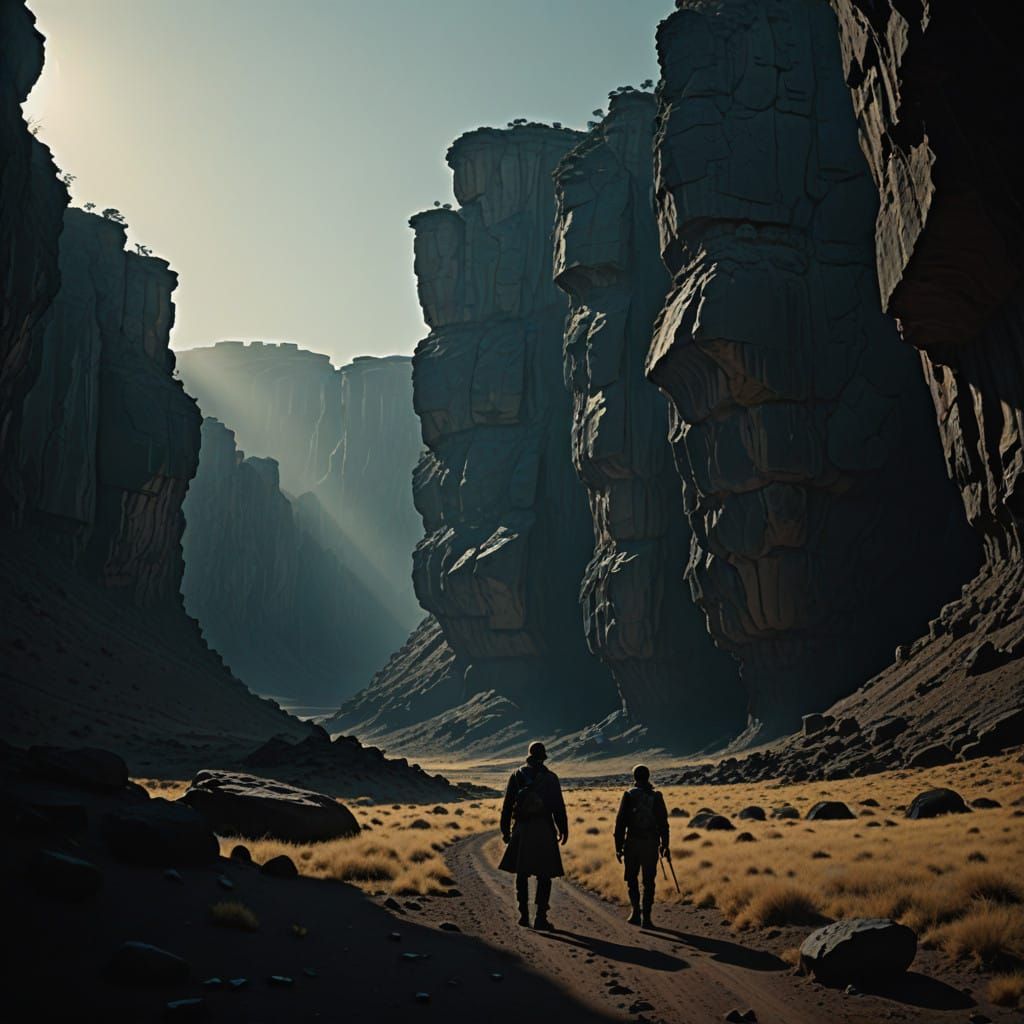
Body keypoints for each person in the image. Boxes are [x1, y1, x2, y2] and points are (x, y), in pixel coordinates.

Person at [498, 740, 568, 930]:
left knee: (522, 873)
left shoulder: (517, 775)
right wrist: (563, 829)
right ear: (543, 757)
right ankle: (541, 917)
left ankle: (523, 915)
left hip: (522, 828)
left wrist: (505, 831)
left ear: (528, 755)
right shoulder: (551, 778)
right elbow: (558, 807)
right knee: (544, 875)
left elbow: (507, 806)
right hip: (544, 828)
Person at [613, 764, 669, 928]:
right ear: (648, 776)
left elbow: (620, 823)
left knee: (632, 879)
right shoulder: (656, 796)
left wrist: (618, 846)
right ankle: (647, 917)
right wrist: (665, 844)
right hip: (651, 843)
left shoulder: (629, 795)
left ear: (635, 777)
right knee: (649, 881)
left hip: (632, 843)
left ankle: (636, 912)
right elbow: (663, 823)